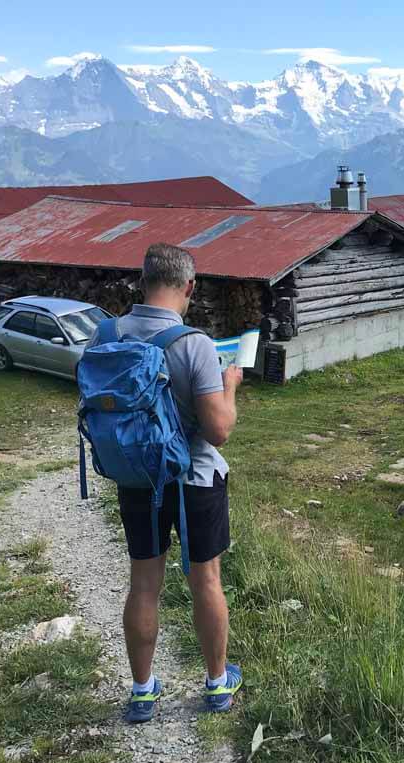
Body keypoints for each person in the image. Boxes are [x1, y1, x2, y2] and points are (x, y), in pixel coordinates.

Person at [86, 243, 244, 723]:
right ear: (189, 287)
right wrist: (230, 383)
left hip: (136, 477)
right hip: (192, 478)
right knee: (206, 581)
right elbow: (218, 430)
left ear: (143, 280)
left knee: (144, 585)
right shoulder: (193, 344)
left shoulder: (104, 334)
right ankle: (217, 684)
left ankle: (141, 690)